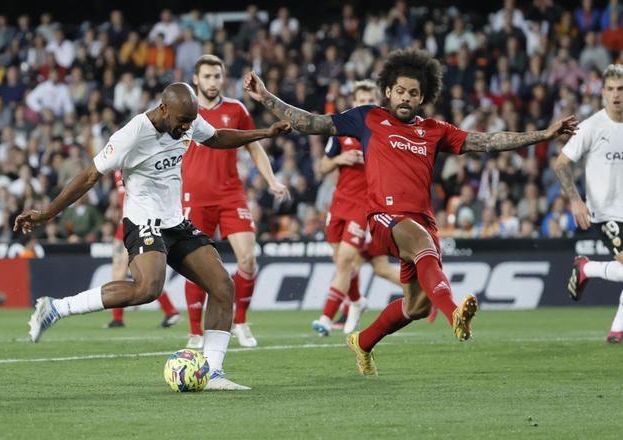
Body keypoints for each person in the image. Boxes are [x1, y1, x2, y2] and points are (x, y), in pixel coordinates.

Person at [244, 48, 577, 375]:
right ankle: (455, 315)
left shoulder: (434, 130)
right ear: (388, 91)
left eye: (413, 93)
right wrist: (266, 97)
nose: (405, 97)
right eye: (400, 91)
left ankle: (363, 341)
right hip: (384, 218)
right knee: (423, 248)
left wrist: (543, 135)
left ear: (422, 98)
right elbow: (311, 123)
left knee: (416, 306)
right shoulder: (367, 118)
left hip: (422, 221)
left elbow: (488, 141)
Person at [15, 82, 291, 390]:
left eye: (190, 122)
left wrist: (264, 134)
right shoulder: (132, 134)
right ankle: (55, 308)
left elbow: (215, 138)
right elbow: (89, 176)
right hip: (143, 220)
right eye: (182, 122)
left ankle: (212, 372)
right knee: (148, 288)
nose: (187, 128)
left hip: (175, 220)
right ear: (163, 110)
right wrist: (47, 213)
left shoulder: (188, 118)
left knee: (223, 287)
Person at [182, 55, 289, 349]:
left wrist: (272, 181)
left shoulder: (236, 109)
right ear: (196, 79)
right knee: (194, 265)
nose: (213, 82)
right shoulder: (184, 112)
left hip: (231, 194)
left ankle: (239, 321)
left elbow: (254, 148)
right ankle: (195, 331)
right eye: (207, 76)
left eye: (217, 76)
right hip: (193, 196)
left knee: (248, 258)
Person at [313, 80, 398, 337]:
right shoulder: (342, 132)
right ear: (354, 104)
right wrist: (340, 158)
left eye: (368, 100)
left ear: (377, 102)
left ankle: (326, 317)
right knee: (343, 262)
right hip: (338, 203)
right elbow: (322, 168)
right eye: (360, 101)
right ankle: (357, 301)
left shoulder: (383, 134)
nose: (364, 105)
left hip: (363, 205)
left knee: (346, 261)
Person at [556, 64, 623, 343]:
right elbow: (561, 164)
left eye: (621, 89)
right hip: (605, 212)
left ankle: (617, 329)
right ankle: (588, 269)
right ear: (602, 92)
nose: (616, 95)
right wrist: (575, 200)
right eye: (610, 89)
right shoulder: (592, 126)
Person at [106, 169, 181, 329]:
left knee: (142, 275)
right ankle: (169, 311)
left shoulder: (137, 159)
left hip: (140, 221)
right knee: (126, 274)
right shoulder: (117, 165)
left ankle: (118, 319)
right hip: (124, 224)